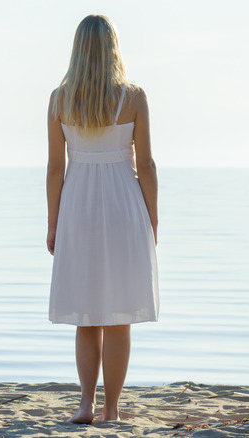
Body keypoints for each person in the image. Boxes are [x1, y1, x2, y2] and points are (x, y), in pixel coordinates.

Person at [45, 14, 159, 424]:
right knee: (117, 317)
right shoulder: (134, 97)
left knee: (86, 313)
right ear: (114, 48)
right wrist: (154, 218)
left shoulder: (60, 100)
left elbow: (55, 169)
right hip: (123, 207)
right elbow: (144, 165)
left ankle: (86, 404)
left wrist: (53, 222)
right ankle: (111, 409)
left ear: (77, 50)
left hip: (78, 207)